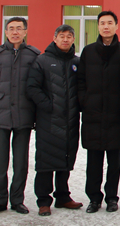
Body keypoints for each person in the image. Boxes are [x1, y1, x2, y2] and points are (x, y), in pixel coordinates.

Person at [0, 16, 40, 215]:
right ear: (5, 32)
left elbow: (39, 86)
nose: (15, 32)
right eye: (11, 28)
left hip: (24, 115)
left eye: (19, 28)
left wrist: (38, 115)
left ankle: (17, 200)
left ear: (25, 32)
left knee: (20, 162)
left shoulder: (34, 55)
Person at [77, 10, 120, 213]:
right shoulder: (88, 51)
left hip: (116, 115)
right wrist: (85, 101)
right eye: (102, 23)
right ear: (98, 26)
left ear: (116, 26)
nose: (106, 26)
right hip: (93, 113)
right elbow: (80, 81)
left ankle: (111, 198)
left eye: (109, 23)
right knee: (94, 160)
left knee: (114, 160)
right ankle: (94, 198)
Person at [26, 24, 83, 216]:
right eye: (62, 36)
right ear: (55, 38)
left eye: (69, 36)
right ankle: (43, 200)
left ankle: (63, 197)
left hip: (70, 119)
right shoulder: (42, 60)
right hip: (48, 120)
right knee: (46, 160)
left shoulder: (76, 62)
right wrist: (49, 105)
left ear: (73, 39)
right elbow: (32, 87)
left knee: (65, 158)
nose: (65, 39)